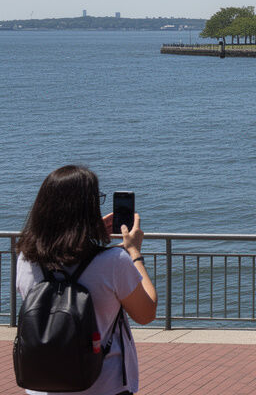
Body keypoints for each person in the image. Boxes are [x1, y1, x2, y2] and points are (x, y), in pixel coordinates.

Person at [15, 166, 158, 395]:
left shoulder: (25, 259)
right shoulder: (114, 262)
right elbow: (146, 313)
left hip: (42, 385)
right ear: (87, 210)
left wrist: (90, 233)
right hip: (103, 386)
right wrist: (134, 254)